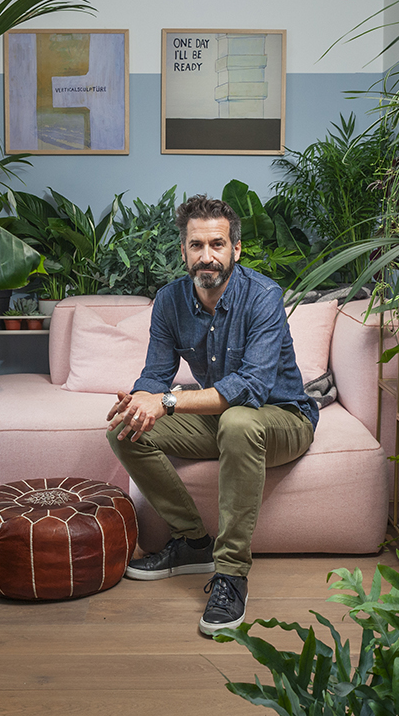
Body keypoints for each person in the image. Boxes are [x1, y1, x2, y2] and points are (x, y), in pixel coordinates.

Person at [105, 194, 317, 635]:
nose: (207, 256)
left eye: (217, 245)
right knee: (125, 429)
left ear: (235, 249)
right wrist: (140, 400)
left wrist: (165, 401)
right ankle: (191, 543)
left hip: (283, 417)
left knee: (239, 420)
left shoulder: (263, 296)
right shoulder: (169, 301)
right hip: (224, 419)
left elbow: (251, 389)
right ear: (183, 250)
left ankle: (231, 574)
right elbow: (156, 374)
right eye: (196, 245)